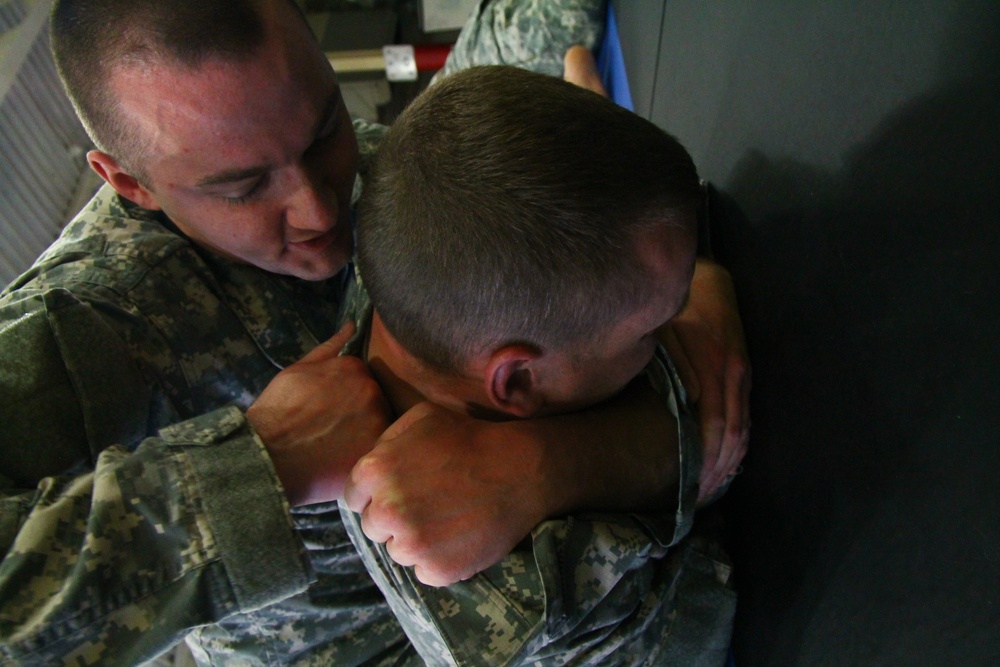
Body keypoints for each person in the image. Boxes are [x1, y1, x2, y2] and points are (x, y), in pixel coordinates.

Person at [0, 0, 748, 664]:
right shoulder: (85, 328)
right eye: (244, 187)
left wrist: (554, 458)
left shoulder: (287, 133)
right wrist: (261, 467)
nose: (321, 208)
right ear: (128, 182)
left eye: (326, 128)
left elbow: (463, 138)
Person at [334, 64, 735, 666]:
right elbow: (704, 608)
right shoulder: (522, 606)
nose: (671, 328)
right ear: (517, 380)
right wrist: (711, 286)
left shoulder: (415, 261)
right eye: (652, 329)